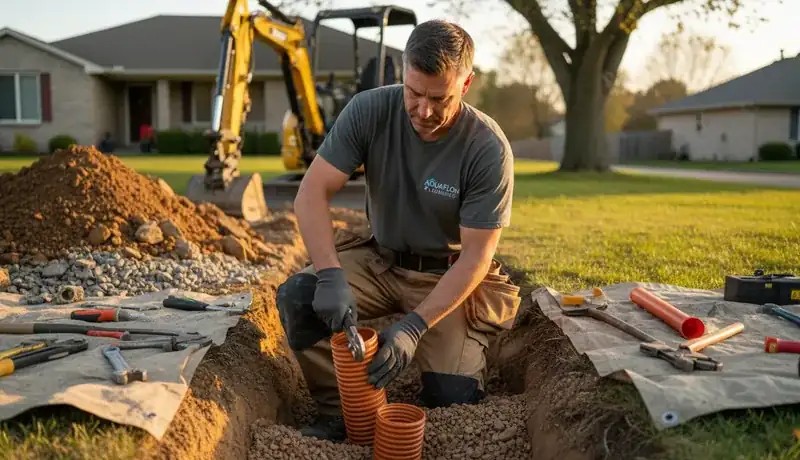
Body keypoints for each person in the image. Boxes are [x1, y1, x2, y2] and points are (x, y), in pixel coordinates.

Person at [276, 19, 521, 442]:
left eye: (439, 98)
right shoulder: (369, 110)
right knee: (301, 298)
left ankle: (448, 367)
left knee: (451, 397)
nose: (424, 111)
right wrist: (330, 276)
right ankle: (340, 410)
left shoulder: (487, 148)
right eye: (413, 93)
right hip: (379, 259)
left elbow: (476, 257)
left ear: (466, 85)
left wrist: (412, 327)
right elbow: (311, 194)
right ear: (403, 72)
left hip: (445, 275)